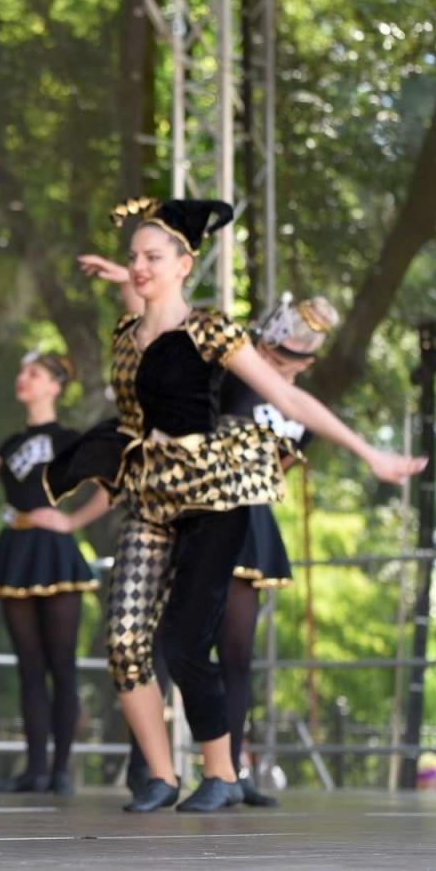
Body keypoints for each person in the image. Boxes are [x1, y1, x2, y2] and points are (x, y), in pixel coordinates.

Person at [52, 197, 424, 812]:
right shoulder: (124, 337)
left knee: (189, 641)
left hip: (215, 494)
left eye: (152, 256)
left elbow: (288, 398)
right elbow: (139, 389)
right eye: (133, 257)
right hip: (150, 495)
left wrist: (368, 453)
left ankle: (221, 772)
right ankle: (159, 776)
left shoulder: (213, 329)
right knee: (123, 638)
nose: (139, 265)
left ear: (183, 263)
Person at [81, 283, 341, 807]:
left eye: (292, 356)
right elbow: (166, 349)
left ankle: (231, 770)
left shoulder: (299, 413)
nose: (278, 359)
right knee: (157, 637)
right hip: (187, 506)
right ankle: (149, 767)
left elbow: (281, 469)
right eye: (274, 348)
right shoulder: (228, 366)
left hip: (245, 521)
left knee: (236, 649)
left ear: (306, 364)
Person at [0, 354, 108, 795]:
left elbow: (112, 485)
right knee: (29, 667)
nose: (22, 378)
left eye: (33, 374)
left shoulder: (70, 440)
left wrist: (71, 522)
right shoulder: (11, 444)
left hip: (55, 550)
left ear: (54, 386)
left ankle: (62, 769)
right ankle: (35, 769)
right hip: (17, 549)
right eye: (22, 371)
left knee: (61, 664)